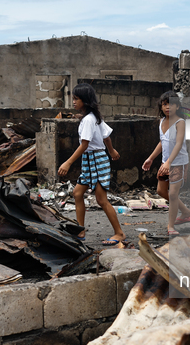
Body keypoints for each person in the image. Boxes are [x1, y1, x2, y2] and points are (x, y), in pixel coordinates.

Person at [58, 83, 126, 245]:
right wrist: (111, 151)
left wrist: (67, 162)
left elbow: (84, 145)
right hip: (92, 161)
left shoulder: (89, 120)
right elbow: (106, 137)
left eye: (76, 99)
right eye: (73, 98)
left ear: (85, 100)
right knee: (77, 193)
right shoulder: (93, 117)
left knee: (101, 200)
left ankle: (119, 233)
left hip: (96, 160)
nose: (73, 102)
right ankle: (80, 230)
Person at [142, 91, 190, 235]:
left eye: (171, 104)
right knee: (160, 191)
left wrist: (169, 163)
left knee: (172, 194)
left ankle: (171, 226)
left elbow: (178, 144)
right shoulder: (162, 122)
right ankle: (185, 211)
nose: (167, 107)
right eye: (165, 104)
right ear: (161, 106)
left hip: (178, 162)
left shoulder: (180, 122)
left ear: (177, 106)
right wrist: (151, 158)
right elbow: (162, 142)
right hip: (166, 162)